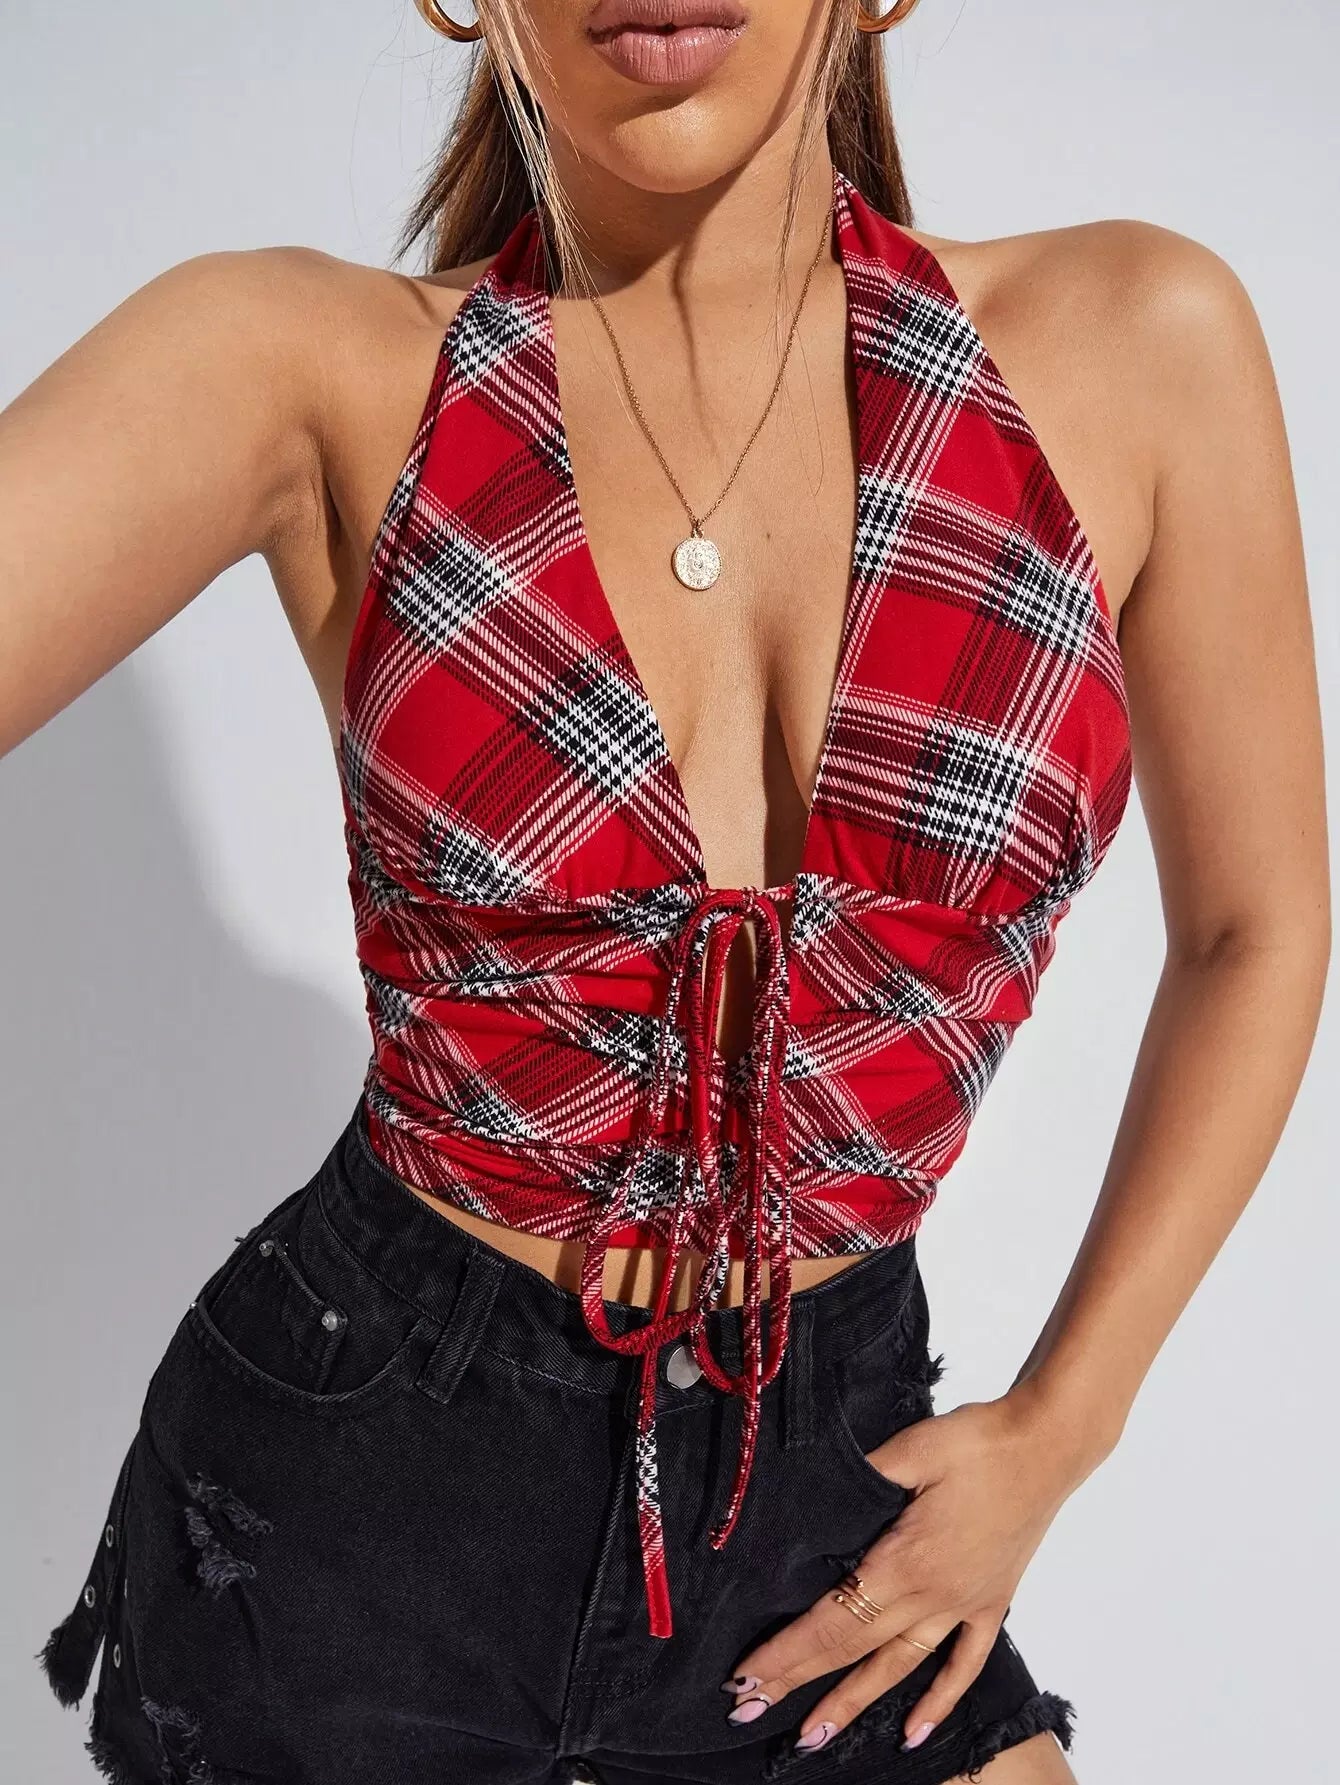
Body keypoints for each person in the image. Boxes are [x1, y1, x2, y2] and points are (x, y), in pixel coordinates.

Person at [8, 2, 1327, 1782]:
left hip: (833, 1496)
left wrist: (1062, 1423)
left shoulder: (1137, 346)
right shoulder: (307, 367)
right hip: (353, 1504)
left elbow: (1256, 929)